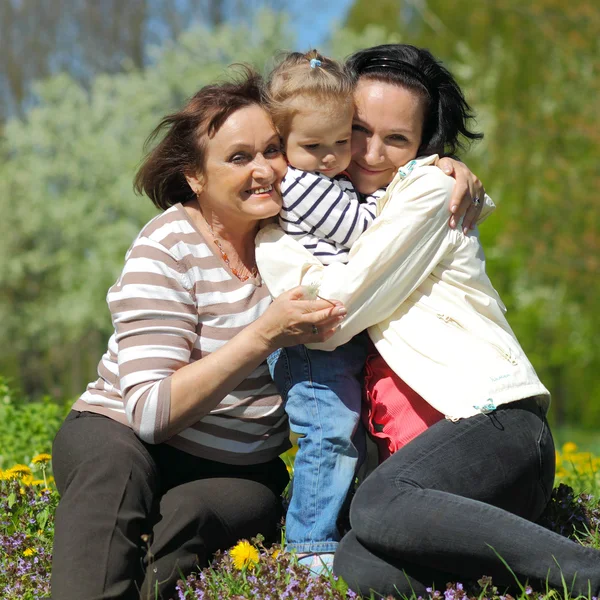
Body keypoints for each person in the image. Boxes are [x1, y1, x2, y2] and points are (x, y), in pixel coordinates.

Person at [49, 65, 485, 600]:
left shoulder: (301, 229)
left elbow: (384, 182)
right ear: (195, 176)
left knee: (202, 515)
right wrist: (262, 336)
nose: (265, 170)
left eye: (272, 149)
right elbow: (149, 415)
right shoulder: (166, 247)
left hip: (237, 462)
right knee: (114, 476)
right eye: (238, 158)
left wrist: (443, 169)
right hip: (124, 434)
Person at [255, 44, 600, 597]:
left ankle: (591, 572)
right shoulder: (346, 207)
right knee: (359, 565)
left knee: (378, 502)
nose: (368, 153)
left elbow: (333, 315)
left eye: (397, 139)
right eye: (358, 130)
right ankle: (524, 578)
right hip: (437, 489)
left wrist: (273, 236)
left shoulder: (430, 190)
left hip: (495, 427)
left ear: (423, 148)